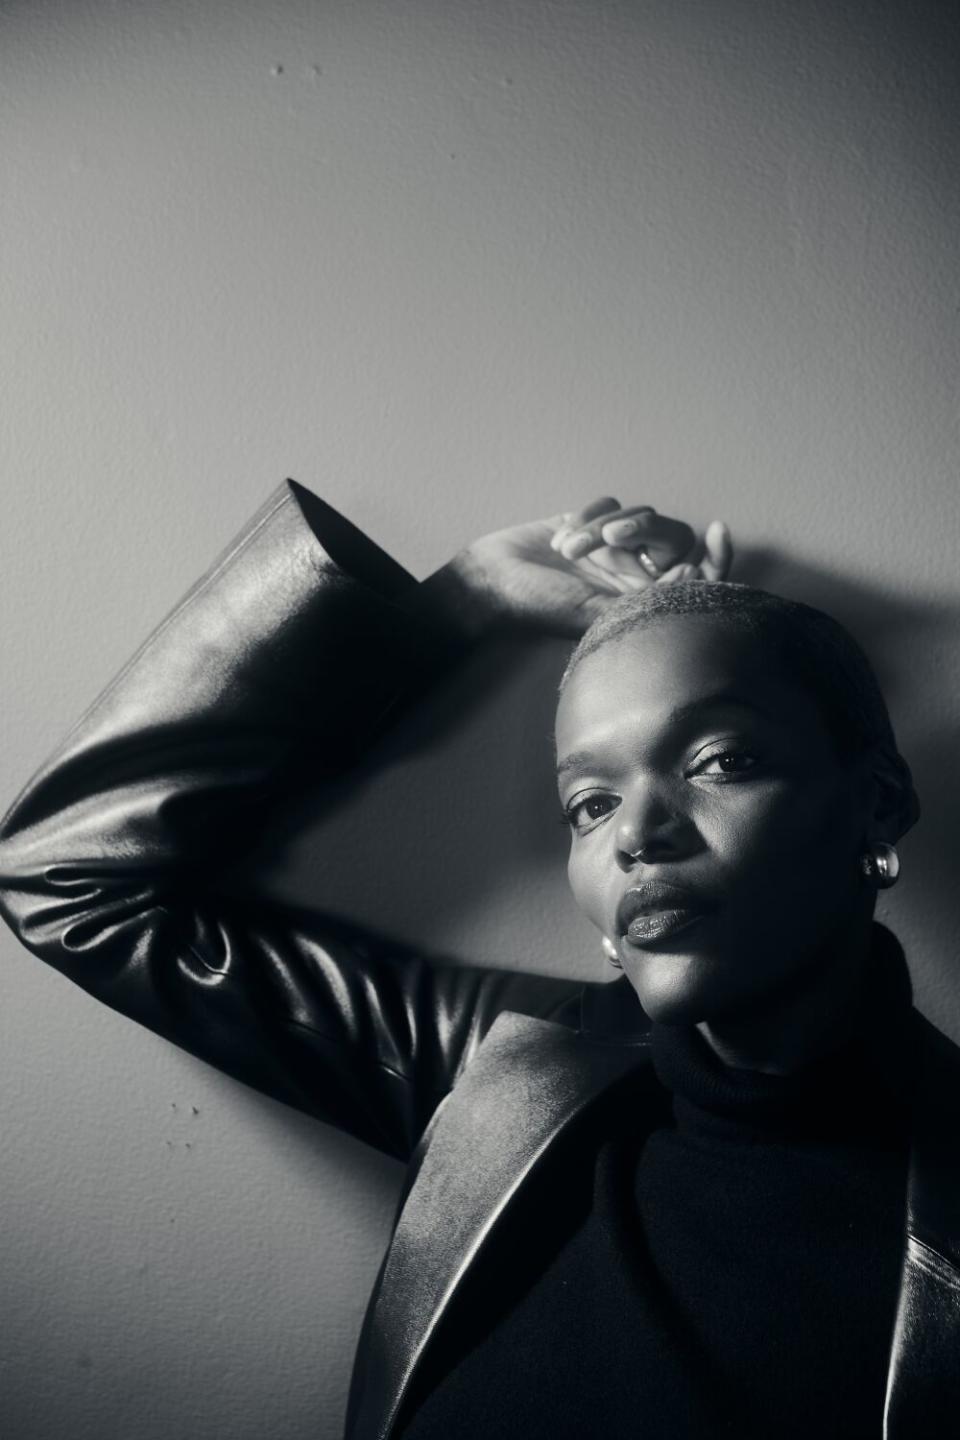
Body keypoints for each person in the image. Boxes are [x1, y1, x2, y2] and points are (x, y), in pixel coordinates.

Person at [0, 480, 955, 1440]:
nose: (637, 834)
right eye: (590, 803)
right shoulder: (507, 1072)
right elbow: (70, 879)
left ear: (876, 806)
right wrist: (460, 603)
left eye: (719, 760)